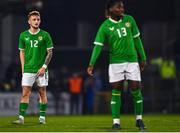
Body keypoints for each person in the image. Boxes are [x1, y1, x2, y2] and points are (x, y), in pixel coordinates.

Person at [87, 0, 147, 130]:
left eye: (122, 6)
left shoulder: (130, 20)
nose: (122, 9)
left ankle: (139, 120)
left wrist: (143, 57)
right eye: (118, 7)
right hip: (115, 63)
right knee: (116, 92)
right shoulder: (105, 26)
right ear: (110, 9)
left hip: (132, 61)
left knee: (136, 90)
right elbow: (97, 47)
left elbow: (137, 39)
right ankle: (116, 122)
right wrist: (91, 64)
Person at [13, 10, 53, 124]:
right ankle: (21, 118)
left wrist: (44, 67)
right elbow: (22, 53)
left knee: (42, 92)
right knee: (25, 93)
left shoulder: (45, 35)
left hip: (41, 69)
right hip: (28, 69)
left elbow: (50, 52)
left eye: (38, 19)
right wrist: (23, 69)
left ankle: (42, 118)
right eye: (34, 20)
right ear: (29, 21)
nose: (36, 21)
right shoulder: (23, 35)